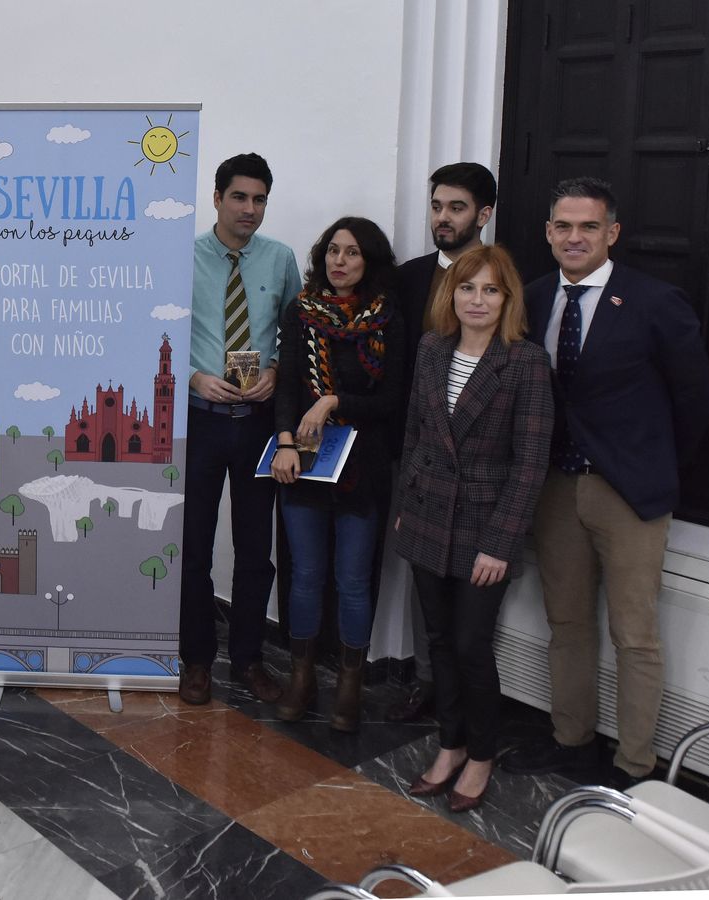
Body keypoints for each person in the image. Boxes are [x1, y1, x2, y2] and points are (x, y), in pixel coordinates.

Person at [500, 177, 709, 787]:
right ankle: (571, 743)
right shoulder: (531, 298)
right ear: (548, 232)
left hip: (628, 494)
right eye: (564, 226)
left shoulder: (655, 301)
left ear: (612, 233)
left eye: (589, 226)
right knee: (567, 624)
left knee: (634, 635)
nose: (575, 237)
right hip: (555, 489)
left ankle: (635, 766)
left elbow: (698, 398)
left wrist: (654, 463)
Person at [394, 245, 553, 812]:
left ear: (507, 299)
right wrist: (407, 503)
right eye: (467, 288)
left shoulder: (525, 362)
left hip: (484, 529)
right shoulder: (432, 348)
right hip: (426, 516)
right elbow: (415, 433)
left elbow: (530, 463)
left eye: (490, 290)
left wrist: (500, 543)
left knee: (470, 645)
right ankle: (451, 744)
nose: (477, 300)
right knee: (438, 642)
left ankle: (481, 754)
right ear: (451, 294)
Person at [178, 153, 303, 706]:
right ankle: (196, 659)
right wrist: (193, 377)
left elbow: (296, 336)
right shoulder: (182, 257)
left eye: (259, 199)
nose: (249, 209)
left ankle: (249, 659)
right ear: (217, 199)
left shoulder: (280, 259)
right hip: (199, 423)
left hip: (256, 425)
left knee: (255, 551)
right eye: (239, 197)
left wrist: (275, 370)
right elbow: (155, 332)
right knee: (193, 549)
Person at [271, 216, 404, 732]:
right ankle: (301, 676)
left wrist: (333, 401)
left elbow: (392, 400)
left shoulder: (387, 317)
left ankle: (350, 683)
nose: (339, 261)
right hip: (304, 459)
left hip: (363, 466)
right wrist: (285, 442)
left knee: (352, 579)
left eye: (351, 253)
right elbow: (287, 386)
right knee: (304, 575)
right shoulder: (301, 311)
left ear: (369, 261)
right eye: (332, 251)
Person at [387, 162, 498, 724]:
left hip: (481, 467)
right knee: (423, 574)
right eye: (436, 207)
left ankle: (467, 706)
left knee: (472, 597)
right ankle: (429, 683)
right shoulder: (408, 277)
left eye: (456, 208)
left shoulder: (501, 279)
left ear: (483, 214)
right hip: (418, 454)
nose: (443, 218)